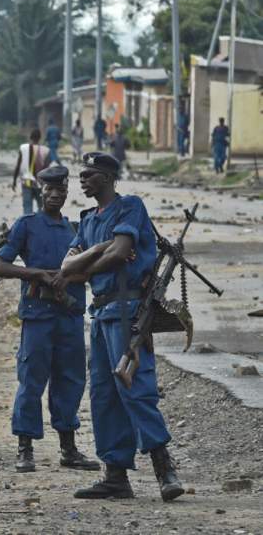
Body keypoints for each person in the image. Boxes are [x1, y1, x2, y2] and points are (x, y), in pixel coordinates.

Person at [60, 152, 184, 503]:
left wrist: (92, 259)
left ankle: (164, 468)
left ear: (109, 177)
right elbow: (68, 267)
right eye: (81, 174)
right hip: (100, 314)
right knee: (103, 394)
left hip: (128, 309)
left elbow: (122, 252)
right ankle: (115, 475)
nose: (82, 180)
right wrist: (102, 248)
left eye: (90, 174)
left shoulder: (130, 207)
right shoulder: (87, 220)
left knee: (135, 388)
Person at [0, 165, 100, 474]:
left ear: (67, 193)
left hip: (69, 315)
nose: (55, 195)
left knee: (70, 381)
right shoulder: (26, 225)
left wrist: (69, 278)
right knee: (31, 382)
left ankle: (68, 447)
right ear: (40, 192)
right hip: (38, 316)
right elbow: (0, 267)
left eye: (61, 191)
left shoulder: (76, 229)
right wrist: (37, 274)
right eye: (49, 190)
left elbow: (91, 269)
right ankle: (25, 448)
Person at [11, 128, 47, 216]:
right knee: (42, 208)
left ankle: (28, 227)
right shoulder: (45, 150)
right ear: (40, 137)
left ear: (30, 137)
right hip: (39, 183)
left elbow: (18, 166)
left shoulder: (23, 148)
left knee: (27, 209)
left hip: (26, 183)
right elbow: (46, 169)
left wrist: (14, 181)